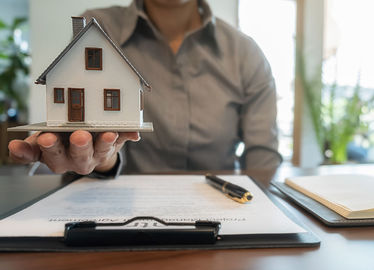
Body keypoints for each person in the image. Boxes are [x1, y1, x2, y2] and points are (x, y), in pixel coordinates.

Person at [8, 0, 282, 176]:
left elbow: (263, 160)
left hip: (222, 212)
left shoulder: (245, 53)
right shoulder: (97, 29)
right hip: (117, 212)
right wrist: (103, 161)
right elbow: (93, 133)